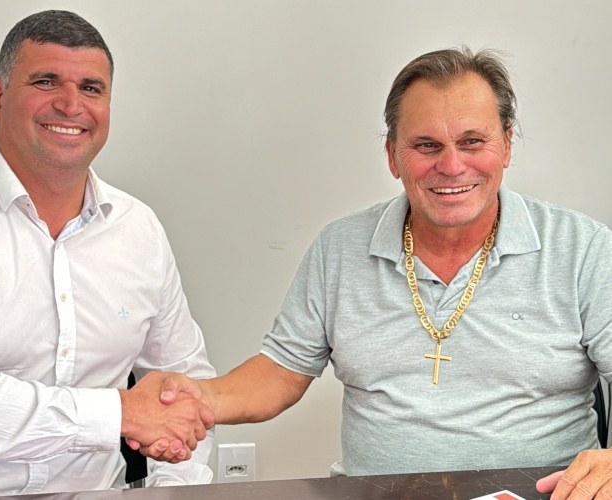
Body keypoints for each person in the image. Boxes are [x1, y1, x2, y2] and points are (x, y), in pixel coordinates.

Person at [142, 47, 612, 499]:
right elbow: (282, 372)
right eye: (426, 145)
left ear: (507, 144)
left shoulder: (584, 249)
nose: (451, 166)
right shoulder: (340, 246)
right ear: (392, 155)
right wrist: (200, 398)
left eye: (472, 141)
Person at [0, 9, 215, 499]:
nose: (71, 105)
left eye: (91, 88)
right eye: (46, 81)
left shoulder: (139, 229)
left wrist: (173, 490)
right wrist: (119, 413)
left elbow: (187, 386)